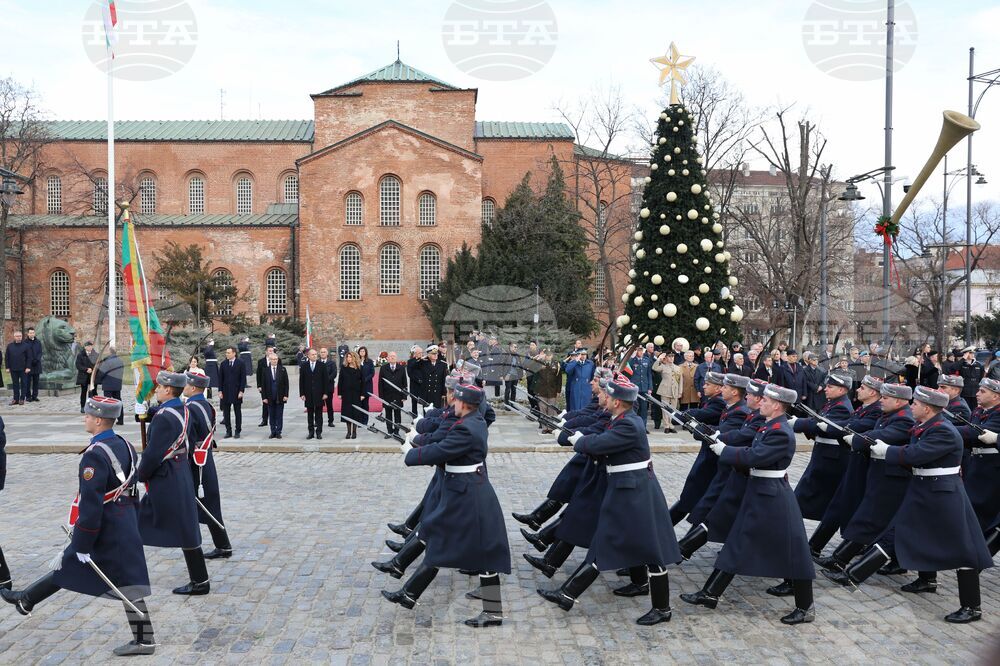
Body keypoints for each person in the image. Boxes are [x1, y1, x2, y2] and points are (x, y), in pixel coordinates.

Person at [0, 396, 155, 656]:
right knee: (74, 563)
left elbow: (91, 507)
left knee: (124, 579)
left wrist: (82, 543)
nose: (84, 419)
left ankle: (145, 640)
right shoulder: (126, 444)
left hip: (108, 526)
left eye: (87, 416)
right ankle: (27, 599)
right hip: (124, 518)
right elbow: (132, 487)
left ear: (97, 420)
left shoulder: (93, 456)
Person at [832, 387, 993, 623]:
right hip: (926, 490)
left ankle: (972, 607)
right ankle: (923, 579)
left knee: (963, 551)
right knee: (906, 533)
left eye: (915, 403)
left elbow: (917, 454)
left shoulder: (943, 431)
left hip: (942, 496)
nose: (911, 406)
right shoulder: (927, 426)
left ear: (927, 408)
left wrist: (889, 451)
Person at [537, 377, 680, 626]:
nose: (606, 400)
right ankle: (568, 593)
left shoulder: (629, 425)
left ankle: (663, 609)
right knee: (613, 541)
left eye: (610, 397)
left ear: (618, 402)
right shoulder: (622, 420)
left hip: (636, 494)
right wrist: (580, 436)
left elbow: (601, 444)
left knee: (651, 550)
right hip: (627, 490)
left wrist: (577, 440)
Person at [681, 383, 816, 625]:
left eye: (764, 400)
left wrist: (725, 450)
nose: (759, 402)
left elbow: (755, 456)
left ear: (776, 405)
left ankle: (806, 607)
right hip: (760, 492)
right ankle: (711, 593)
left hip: (774, 498)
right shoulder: (770, 425)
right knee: (737, 543)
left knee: (794, 551)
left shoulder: (780, 431)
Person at [381, 382, 511, 628]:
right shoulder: (472, 421)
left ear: (463, 403)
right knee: (439, 535)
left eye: (456, 400)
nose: (453, 403)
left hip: (468, 494)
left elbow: (442, 450)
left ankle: (492, 613)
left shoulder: (467, 428)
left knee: (473, 548)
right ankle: (409, 593)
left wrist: (411, 452)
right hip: (463, 489)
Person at [820, 383, 916, 585]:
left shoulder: (904, 418)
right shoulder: (890, 414)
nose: (881, 400)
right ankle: (840, 560)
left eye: (886, 397)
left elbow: (880, 436)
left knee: (871, 520)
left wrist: (855, 439)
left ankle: (842, 563)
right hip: (881, 475)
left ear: (898, 401)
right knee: (871, 520)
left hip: (893, 478)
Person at [137, 372, 210, 596]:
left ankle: (200, 582)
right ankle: (200, 580)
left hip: (166, 477)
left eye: (159, 387)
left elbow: (153, 453)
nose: (157, 390)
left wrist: (141, 474)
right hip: (179, 472)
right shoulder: (182, 409)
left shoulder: (164, 417)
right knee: (184, 526)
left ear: (168, 390)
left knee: (131, 524)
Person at [809, 375, 884, 566]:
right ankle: (815, 547)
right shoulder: (865, 408)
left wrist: (835, 427)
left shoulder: (875, 411)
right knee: (838, 506)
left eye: (863, 388)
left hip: (866, 466)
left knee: (861, 513)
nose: (857, 390)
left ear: (873, 392)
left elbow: (855, 427)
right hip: (854, 462)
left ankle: (847, 554)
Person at [789, 373, 854, 525]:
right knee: (801, 501)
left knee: (800, 501)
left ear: (842, 390)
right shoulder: (834, 403)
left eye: (830, 387)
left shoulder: (842, 407)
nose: (825, 389)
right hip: (824, 458)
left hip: (829, 461)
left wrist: (797, 423)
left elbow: (821, 426)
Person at [183, 369, 233, 559]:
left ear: (194, 387)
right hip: (205, 459)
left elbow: (187, 437)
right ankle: (223, 545)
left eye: (187, 384)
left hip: (196, 462)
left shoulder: (192, 407)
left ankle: (205, 548)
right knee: (210, 503)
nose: (184, 388)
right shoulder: (205, 405)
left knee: (197, 505)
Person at [669, 372, 727, 525]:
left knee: (694, 497)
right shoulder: (712, 400)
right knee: (693, 497)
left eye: (708, 384)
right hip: (707, 455)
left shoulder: (719, 402)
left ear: (719, 388)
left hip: (712, 458)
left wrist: (685, 415)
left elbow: (702, 414)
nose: (704, 385)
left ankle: (667, 531)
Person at [954, 378, 1000, 532]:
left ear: (995, 396)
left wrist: (946, 430)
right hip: (975, 465)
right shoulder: (978, 410)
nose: (977, 394)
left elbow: (974, 432)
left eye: (983, 391)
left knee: (983, 512)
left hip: (991, 468)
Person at [299, 348, 330, 440]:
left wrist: (325, 393)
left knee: (319, 414)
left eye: (316, 354)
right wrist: (302, 393)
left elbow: (325, 380)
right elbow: (302, 381)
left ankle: (319, 432)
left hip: (319, 393)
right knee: (310, 414)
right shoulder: (304, 366)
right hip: (308, 394)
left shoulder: (322, 365)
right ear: (308, 356)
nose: (315, 356)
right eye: (312, 354)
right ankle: (311, 432)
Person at [218, 346, 246, 439]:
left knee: (237, 412)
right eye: (226, 352)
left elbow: (243, 378)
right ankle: (228, 431)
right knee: (226, 413)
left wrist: (241, 391)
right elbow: (220, 379)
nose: (227, 354)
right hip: (225, 392)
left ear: (234, 353)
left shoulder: (240, 363)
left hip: (237, 391)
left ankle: (237, 431)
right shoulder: (223, 364)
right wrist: (220, 391)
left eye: (229, 353)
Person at [652, 350, 682, 433]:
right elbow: (654, 368)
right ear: (666, 357)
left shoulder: (678, 368)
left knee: (673, 409)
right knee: (665, 408)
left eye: (672, 356)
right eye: (669, 356)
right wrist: (659, 359)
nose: (671, 358)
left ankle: (670, 424)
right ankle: (666, 425)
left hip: (675, 390)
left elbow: (680, 381)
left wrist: (680, 391)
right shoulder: (663, 366)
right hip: (665, 389)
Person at [260, 352, 289, 439]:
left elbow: (286, 384)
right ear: (269, 360)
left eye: (276, 359)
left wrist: (286, 395)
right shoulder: (265, 370)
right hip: (269, 396)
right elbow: (263, 385)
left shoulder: (282, 369)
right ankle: (273, 431)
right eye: (272, 359)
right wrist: (264, 397)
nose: (274, 361)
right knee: (271, 415)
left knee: (279, 415)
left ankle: (278, 431)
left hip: (279, 396)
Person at [379, 352, 407, 437]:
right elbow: (380, 384)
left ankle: (397, 431)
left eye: (394, 356)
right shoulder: (383, 368)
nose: (392, 358)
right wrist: (381, 397)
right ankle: (389, 431)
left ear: (396, 357)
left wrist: (404, 396)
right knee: (388, 414)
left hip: (398, 395)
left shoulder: (401, 368)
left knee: (397, 414)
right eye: (390, 356)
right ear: (387, 358)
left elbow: (404, 383)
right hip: (387, 395)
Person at [95, 347, 125, 425]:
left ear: (110, 352)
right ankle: (121, 419)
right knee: (118, 402)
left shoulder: (107, 361)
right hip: (117, 385)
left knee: (107, 403)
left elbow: (102, 372)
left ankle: (107, 420)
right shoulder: (120, 361)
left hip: (108, 385)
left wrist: (98, 380)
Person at [629, 344, 655, 431]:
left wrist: (650, 387)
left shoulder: (646, 360)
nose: (640, 352)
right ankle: (635, 426)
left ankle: (643, 427)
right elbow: (627, 367)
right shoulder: (632, 361)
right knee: (635, 408)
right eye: (638, 350)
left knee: (644, 409)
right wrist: (632, 357)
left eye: (641, 350)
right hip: (635, 387)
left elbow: (649, 375)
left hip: (644, 388)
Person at [339, 351, 364, 439]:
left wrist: (362, 394)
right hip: (346, 394)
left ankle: (354, 432)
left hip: (357, 394)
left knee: (356, 413)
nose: (349, 359)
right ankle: (348, 432)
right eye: (347, 357)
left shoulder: (359, 368)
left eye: (350, 357)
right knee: (348, 412)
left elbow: (363, 382)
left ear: (354, 358)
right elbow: (340, 381)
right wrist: (339, 393)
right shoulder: (344, 367)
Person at [5, 331, 30, 405]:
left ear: (22, 337)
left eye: (20, 336)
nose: (18, 337)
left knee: (24, 384)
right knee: (15, 384)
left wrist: (28, 367)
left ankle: (22, 399)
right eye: (17, 336)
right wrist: (7, 367)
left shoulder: (26, 346)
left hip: (23, 369)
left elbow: (29, 357)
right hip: (13, 369)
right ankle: (15, 399)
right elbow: (7, 357)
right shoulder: (10, 346)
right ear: (14, 337)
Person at [255, 346, 276, 428]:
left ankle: (274, 419)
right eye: (270, 351)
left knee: (275, 402)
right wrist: (259, 385)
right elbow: (258, 374)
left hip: (274, 385)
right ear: (266, 352)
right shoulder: (261, 362)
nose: (271, 352)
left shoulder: (277, 360)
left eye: (272, 351)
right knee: (265, 403)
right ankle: (264, 420)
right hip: (264, 385)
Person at [75, 340, 97, 413]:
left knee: (92, 392)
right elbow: (78, 365)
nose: (90, 347)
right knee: (83, 392)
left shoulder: (95, 354)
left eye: (91, 346)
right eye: (88, 346)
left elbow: (98, 364)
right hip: (83, 376)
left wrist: (92, 369)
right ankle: (82, 407)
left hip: (92, 377)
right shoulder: (80, 355)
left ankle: (92, 406)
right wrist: (86, 369)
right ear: (85, 347)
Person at [321, 347, 338, 428]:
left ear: (327, 353)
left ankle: (330, 421)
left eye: (324, 352)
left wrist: (326, 380)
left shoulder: (331, 363)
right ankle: (318, 421)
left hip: (329, 387)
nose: (322, 353)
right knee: (318, 405)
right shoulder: (317, 362)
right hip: (319, 388)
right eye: (321, 352)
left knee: (329, 405)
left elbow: (334, 373)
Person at [24, 327, 42, 402]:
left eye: (33, 333)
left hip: (37, 364)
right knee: (27, 382)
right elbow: (25, 354)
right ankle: (28, 396)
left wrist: (37, 359)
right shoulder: (24, 342)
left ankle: (35, 396)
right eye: (30, 333)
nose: (32, 334)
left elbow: (40, 352)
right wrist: (30, 361)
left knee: (36, 382)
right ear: (28, 333)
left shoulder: (38, 342)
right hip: (28, 365)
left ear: (35, 333)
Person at [407, 346, 426, 416]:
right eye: (419, 353)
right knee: (414, 402)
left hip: (423, 385)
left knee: (424, 402)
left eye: (422, 352)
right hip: (414, 385)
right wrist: (418, 360)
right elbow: (409, 373)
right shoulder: (410, 361)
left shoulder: (424, 361)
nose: (421, 354)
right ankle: (414, 417)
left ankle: (425, 416)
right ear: (415, 354)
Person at [358, 346, 375, 423]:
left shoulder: (369, 361)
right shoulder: (356, 361)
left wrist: (365, 379)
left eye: (363, 351)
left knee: (365, 404)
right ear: (358, 352)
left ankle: (365, 421)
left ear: (366, 352)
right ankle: (359, 420)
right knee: (359, 404)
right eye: (361, 351)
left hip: (367, 385)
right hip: (358, 385)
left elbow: (372, 373)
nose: (362, 353)